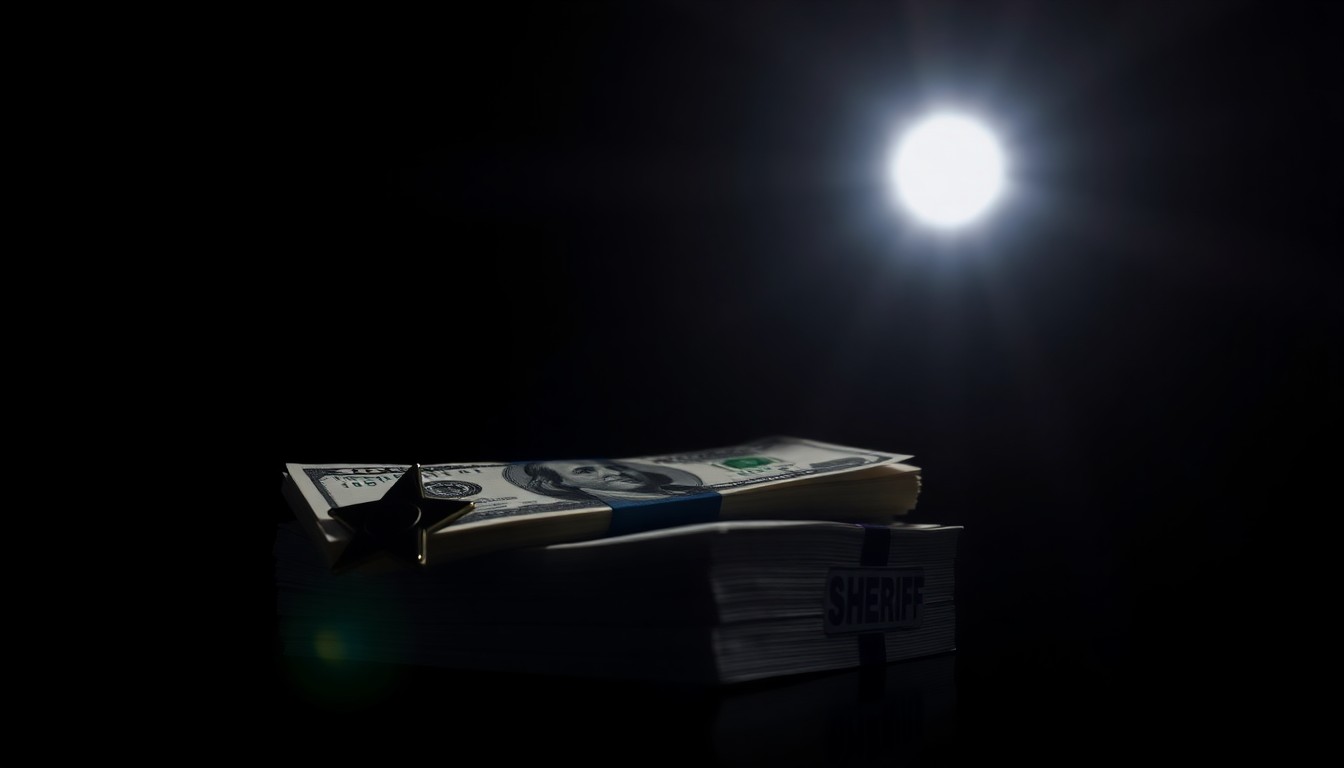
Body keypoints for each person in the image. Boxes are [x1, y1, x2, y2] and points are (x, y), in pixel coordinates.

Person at [509, 460, 706, 504]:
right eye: (584, 471)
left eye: (615, 467)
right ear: (560, 483)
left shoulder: (688, 491)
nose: (613, 472)